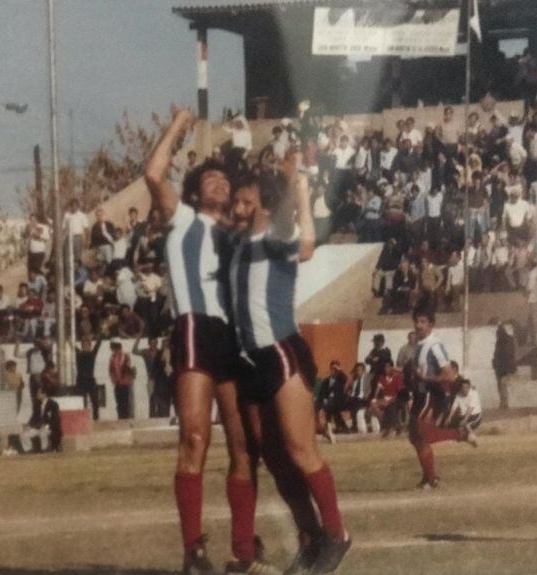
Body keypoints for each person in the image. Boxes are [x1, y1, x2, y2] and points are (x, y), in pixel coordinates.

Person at [145, 108, 277, 574]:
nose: (220, 184)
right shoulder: (182, 219)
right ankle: (193, 550)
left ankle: (243, 552)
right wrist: (179, 125)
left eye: (225, 180)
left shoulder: (236, 234)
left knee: (246, 448)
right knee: (195, 437)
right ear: (196, 192)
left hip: (234, 338)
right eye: (211, 179)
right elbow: (152, 171)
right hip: (196, 327)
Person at [228, 153, 349, 573]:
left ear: (263, 206)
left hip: (280, 352)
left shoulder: (276, 242)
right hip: (249, 361)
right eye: (236, 201)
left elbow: (310, 244)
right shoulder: (237, 245)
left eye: (245, 202)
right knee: (275, 458)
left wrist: (296, 184)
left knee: (301, 449)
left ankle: (336, 534)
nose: (237, 208)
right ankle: (311, 537)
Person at [407, 306, 475, 490]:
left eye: (423, 322)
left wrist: (425, 378)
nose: (418, 325)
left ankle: (432, 478)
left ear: (431, 325)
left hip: (430, 395)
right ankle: (428, 477)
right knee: (414, 436)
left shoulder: (434, 346)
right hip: (420, 395)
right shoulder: (419, 345)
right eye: (416, 321)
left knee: (420, 433)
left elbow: (449, 375)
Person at [76, 336, 103, 421]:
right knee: (82, 402)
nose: (85, 346)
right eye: (84, 345)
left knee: (95, 401)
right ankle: (83, 419)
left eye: (87, 345)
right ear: (82, 346)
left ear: (90, 345)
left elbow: (98, 344)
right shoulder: (79, 354)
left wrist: (102, 334)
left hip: (90, 379)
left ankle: (96, 418)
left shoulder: (92, 354)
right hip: (81, 380)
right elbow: (73, 346)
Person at [492, 321, 517, 410]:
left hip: (504, 367)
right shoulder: (501, 341)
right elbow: (496, 354)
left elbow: (510, 354)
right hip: (501, 367)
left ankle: (504, 403)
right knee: (501, 385)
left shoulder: (506, 341)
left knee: (502, 384)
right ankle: (503, 403)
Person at [108, 341, 134, 420]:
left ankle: (126, 418)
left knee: (125, 402)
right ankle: (120, 418)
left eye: (116, 349)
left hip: (125, 383)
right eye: (114, 349)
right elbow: (111, 370)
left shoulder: (126, 356)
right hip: (117, 383)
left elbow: (130, 369)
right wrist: (113, 379)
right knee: (119, 402)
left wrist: (129, 379)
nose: (115, 351)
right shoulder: (112, 358)